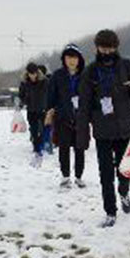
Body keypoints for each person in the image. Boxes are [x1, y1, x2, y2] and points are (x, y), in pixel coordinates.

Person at [77, 30, 130, 227]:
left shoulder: (127, 66)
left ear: (116, 47)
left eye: (110, 48)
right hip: (102, 130)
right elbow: (84, 104)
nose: (107, 51)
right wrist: (82, 133)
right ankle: (110, 211)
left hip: (125, 128)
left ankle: (124, 192)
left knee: (124, 169)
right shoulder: (90, 71)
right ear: (97, 48)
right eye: (103, 48)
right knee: (105, 174)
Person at [46, 44, 87, 188]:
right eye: (68, 57)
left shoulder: (85, 75)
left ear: (79, 59)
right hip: (62, 117)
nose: (71, 61)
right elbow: (51, 96)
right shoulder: (57, 76)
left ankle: (79, 176)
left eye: (74, 57)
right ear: (64, 59)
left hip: (81, 118)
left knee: (80, 148)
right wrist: (51, 111)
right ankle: (65, 176)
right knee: (63, 148)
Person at [18, 62, 49, 167]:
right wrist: (23, 102)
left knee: (44, 128)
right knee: (34, 129)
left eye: (34, 73)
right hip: (31, 109)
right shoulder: (24, 82)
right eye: (30, 74)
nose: (32, 76)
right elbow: (21, 95)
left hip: (43, 109)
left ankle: (43, 143)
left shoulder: (44, 81)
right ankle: (36, 148)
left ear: (37, 72)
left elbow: (50, 93)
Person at [38, 65, 54, 155]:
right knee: (41, 128)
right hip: (39, 108)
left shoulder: (49, 81)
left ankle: (48, 145)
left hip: (48, 109)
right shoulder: (37, 82)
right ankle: (42, 145)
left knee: (48, 128)